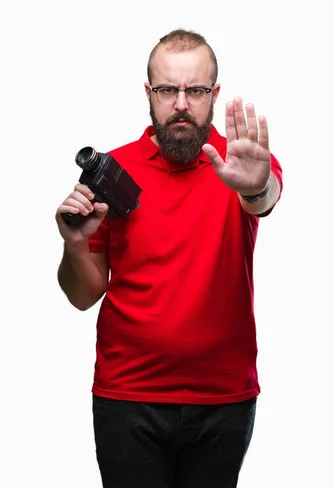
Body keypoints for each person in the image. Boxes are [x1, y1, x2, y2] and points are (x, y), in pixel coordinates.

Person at [55, 28, 283, 488]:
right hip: (128, 397)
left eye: (195, 90)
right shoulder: (113, 170)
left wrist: (255, 185)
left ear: (214, 94)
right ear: (149, 93)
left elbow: (263, 198)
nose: (181, 103)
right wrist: (75, 244)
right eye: (167, 90)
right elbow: (83, 296)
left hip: (223, 397)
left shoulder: (242, 163)